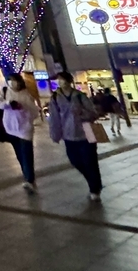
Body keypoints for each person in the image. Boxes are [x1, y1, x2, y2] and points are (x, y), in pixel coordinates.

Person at [48, 72, 103, 201]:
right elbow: (54, 118)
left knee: (91, 162)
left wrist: (82, 112)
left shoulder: (80, 96)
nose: (63, 83)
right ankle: (93, 181)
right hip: (68, 133)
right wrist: (55, 134)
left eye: (66, 80)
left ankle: (95, 189)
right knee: (75, 161)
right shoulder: (55, 98)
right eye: (61, 80)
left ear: (70, 81)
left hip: (87, 131)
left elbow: (94, 114)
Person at [0, 74, 41, 192]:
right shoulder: (5, 91)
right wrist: (8, 104)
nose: (12, 83)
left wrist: (22, 109)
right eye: (10, 81)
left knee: (27, 155)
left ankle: (30, 180)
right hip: (11, 128)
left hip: (25, 129)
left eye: (15, 81)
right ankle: (27, 177)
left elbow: (35, 113)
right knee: (20, 155)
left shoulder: (27, 94)